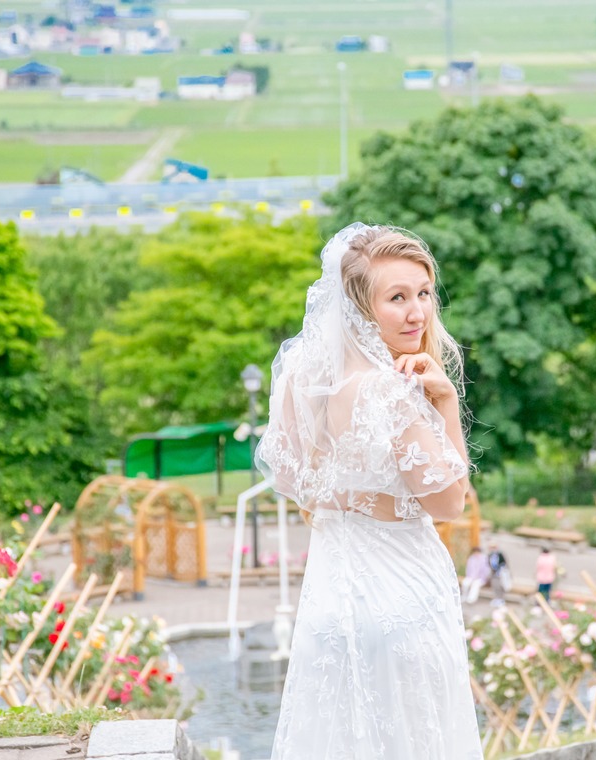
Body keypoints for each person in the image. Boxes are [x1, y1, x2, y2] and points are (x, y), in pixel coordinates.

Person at [256, 223, 484, 759]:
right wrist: (446, 400)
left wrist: (352, 499)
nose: (418, 313)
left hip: (330, 598)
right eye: (397, 298)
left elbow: (291, 478)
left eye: (424, 294)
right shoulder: (391, 390)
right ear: (359, 308)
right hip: (403, 599)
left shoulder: (300, 376)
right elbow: (451, 503)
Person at [487, 541, 510, 606]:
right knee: (495, 586)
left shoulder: (500, 555)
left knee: (501, 586)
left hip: (500, 573)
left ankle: (501, 598)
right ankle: (496, 598)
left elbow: (504, 563)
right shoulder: (490, 555)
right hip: (493, 573)